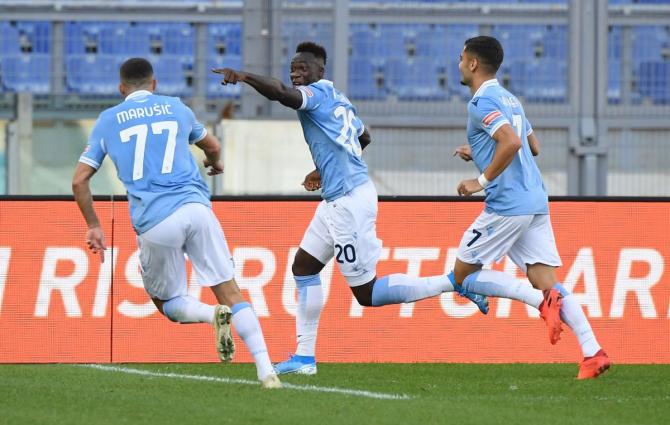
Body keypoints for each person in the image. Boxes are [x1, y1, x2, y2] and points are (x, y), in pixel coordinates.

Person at [213, 41, 493, 376]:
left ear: (320, 71)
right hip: (337, 197)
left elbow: (280, 94)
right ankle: (304, 358)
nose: (296, 73)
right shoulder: (338, 97)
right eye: (293, 68)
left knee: (367, 294)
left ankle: (452, 282)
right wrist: (324, 169)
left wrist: (244, 76)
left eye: (303, 68)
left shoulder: (314, 94)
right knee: (303, 267)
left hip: (349, 202)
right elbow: (364, 138)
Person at [72, 58, 281, 389]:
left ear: (120, 88)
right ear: (154, 84)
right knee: (230, 291)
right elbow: (212, 146)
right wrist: (214, 163)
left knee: (166, 303)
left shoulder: (107, 121)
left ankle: (209, 315)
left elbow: (79, 182)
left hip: (155, 220)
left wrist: (94, 225)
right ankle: (267, 370)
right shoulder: (176, 107)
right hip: (197, 208)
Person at [451, 36, 611, 379]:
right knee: (547, 281)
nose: (459, 64)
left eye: (462, 58)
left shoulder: (480, 102)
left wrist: (479, 181)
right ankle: (592, 352)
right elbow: (532, 146)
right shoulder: (510, 98)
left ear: (474, 63)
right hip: (535, 201)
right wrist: (477, 149)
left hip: (507, 205)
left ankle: (542, 304)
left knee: (462, 274)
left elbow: (510, 141)